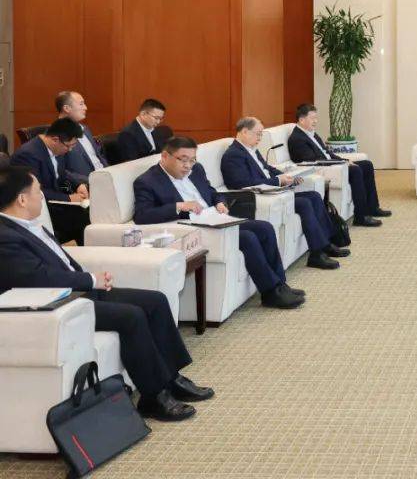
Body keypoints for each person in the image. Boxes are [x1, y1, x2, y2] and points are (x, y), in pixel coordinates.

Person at [0, 166, 214, 421]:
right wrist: (90, 280)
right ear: (22, 199)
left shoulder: (28, 225)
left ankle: (172, 378)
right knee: (131, 316)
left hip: (78, 292)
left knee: (156, 301)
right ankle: (153, 396)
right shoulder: (6, 236)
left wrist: (89, 279)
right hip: (58, 304)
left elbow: (59, 263)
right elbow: (39, 278)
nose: (42, 196)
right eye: (38, 192)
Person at [133, 136, 305, 309]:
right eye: (183, 160)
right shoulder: (147, 181)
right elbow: (142, 215)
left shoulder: (197, 169)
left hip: (215, 219)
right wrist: (178, 206)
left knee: (264, 228)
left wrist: (220, 203)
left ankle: (281, 285)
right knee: (247, 238)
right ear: (165, 156)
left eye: (192, 160)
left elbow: (212, 192)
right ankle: (271, 292)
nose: (188, 166)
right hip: (194, 228)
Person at [221, 117, 348, 269]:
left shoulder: (251, 149)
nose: (260, 138)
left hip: (276, 191)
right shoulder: (233, 154)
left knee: (314, 196)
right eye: (258, 134)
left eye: (261, 134)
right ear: (244, 132)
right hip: (262, 196)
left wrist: (287, 177)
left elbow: (267, 169)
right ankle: (316, 254)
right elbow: (240, 183)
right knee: (304, 203)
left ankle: (326, 244)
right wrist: (277, 181)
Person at [287, 103, 390, 227]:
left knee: (367, 165)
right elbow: (314, 160)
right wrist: (341, 163)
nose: (316, 121)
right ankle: (361, 217)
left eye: (316, 118)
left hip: (332, 164)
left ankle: (373, 207)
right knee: (355, 170)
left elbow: (327, 153)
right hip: (323, 169)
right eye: (312, 118)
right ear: (301, 120)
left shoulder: (311, 133)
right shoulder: (297, 138)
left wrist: (344, 160)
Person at [11, 118, 88, 202]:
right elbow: (33, 192)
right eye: (68, 146)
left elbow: (61, 173)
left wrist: (78, 185)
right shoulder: (27, 155)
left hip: (57, 199)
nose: (70, 150)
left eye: (73, 145)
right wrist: (68, 198)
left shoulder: (56, 148)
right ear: (55, 140)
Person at [55, 90, 109, 185]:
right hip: (86, 184)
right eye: (81, 104)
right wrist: (90, 181)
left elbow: (98, 156)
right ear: (67, 108)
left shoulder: (85, 129)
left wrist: (111, 172)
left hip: (105, 178)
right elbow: (60, 170)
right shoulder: (56, 135)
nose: (85, 108)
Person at [117, 98, 168, 162]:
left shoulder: (155, 130)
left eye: (161, 119)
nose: (158, 122)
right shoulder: (127, 134)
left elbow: (161, 151)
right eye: (156, 118)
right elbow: (132, 162)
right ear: (143, 114)